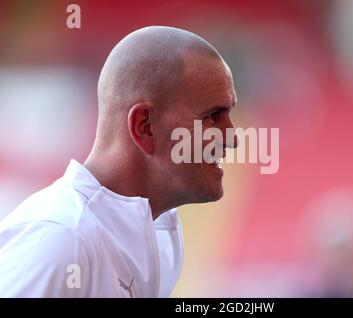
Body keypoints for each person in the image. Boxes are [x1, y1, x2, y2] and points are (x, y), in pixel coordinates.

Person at [0, 26, 238, 297]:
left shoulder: (159, 232)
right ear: (145, 126)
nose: (232, 139)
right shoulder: (60, 240)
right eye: (213, 116)